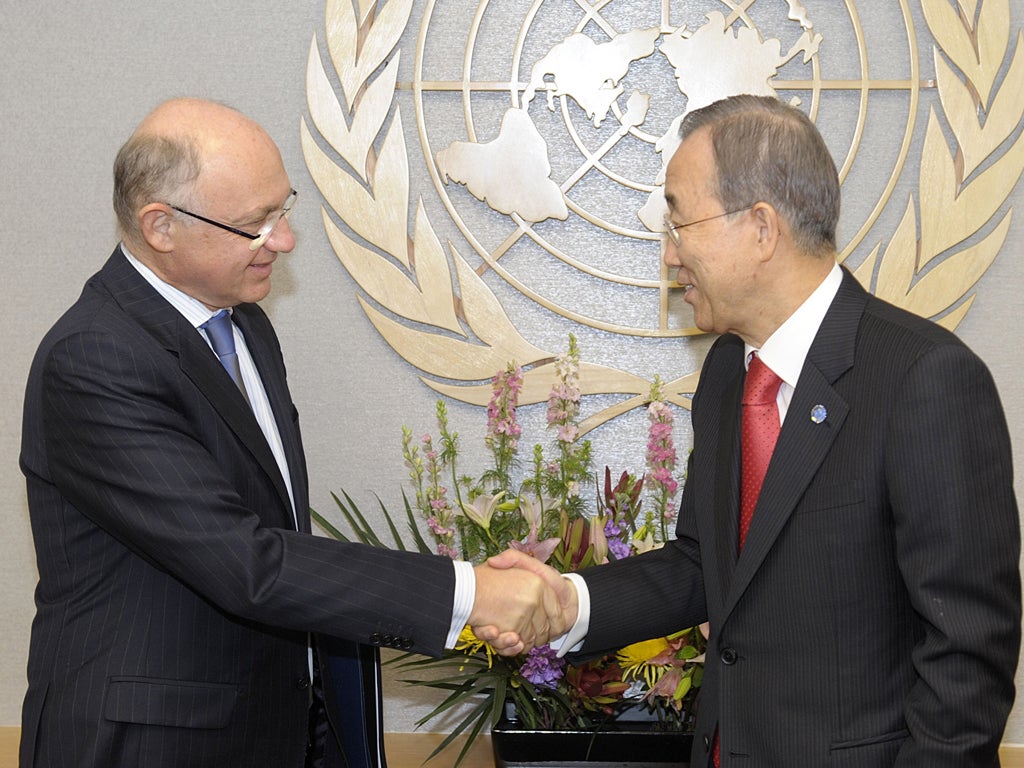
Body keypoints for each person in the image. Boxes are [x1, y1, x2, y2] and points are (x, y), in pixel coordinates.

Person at [19, 97, 563, 768]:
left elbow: (277, 538)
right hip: (151, 744)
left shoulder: (244, 325)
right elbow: (247, 563)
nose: (283, 240)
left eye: (283, 210)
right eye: (257, 223)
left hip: (269, 730)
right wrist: (472, 591)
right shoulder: (95, 358)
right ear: (160, 226)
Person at [490, 94, 1021, 766]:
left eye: (679, 224)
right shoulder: (727, 374)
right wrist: (567, 603)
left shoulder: (923, 378)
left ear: (762, 229)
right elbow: (700, 566)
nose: (669, 256)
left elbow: (968, 658)